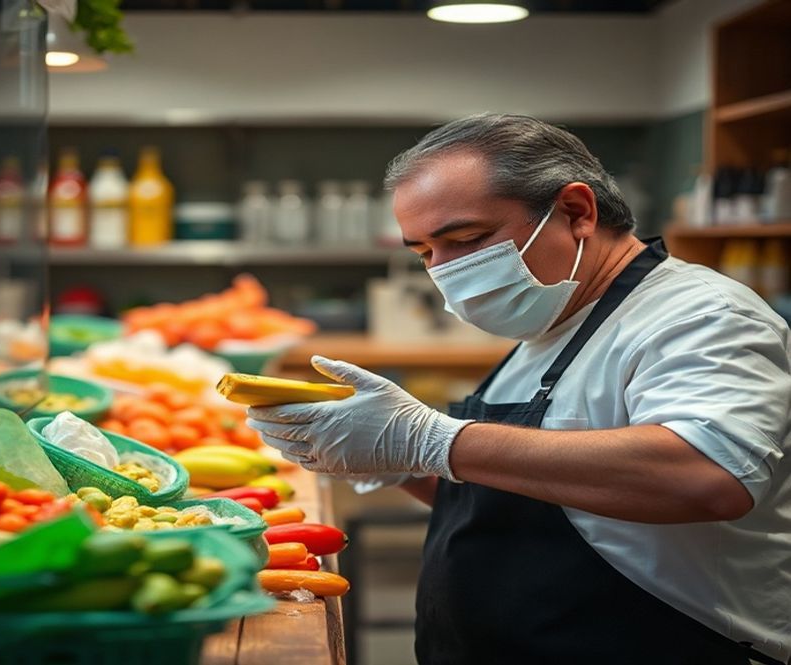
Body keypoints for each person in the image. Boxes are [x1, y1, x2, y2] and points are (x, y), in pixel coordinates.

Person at [247, 114, 791, 665]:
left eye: (467, 240)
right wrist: (396, 461)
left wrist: (433, 440)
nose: (445, 271)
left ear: (576, 212)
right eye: (424, 253)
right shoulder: (554, 319)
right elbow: (528, 498)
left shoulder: (703, 316)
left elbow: (708, 475)